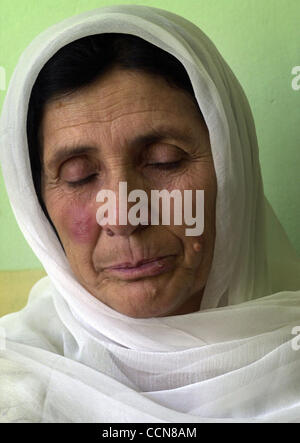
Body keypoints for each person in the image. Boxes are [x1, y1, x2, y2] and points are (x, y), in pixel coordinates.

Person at [0, 4, 300, 423]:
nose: (123, 215)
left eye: (163, 161)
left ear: (235, 171)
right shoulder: (16, 381)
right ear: (38, 206)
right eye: (79, 176)